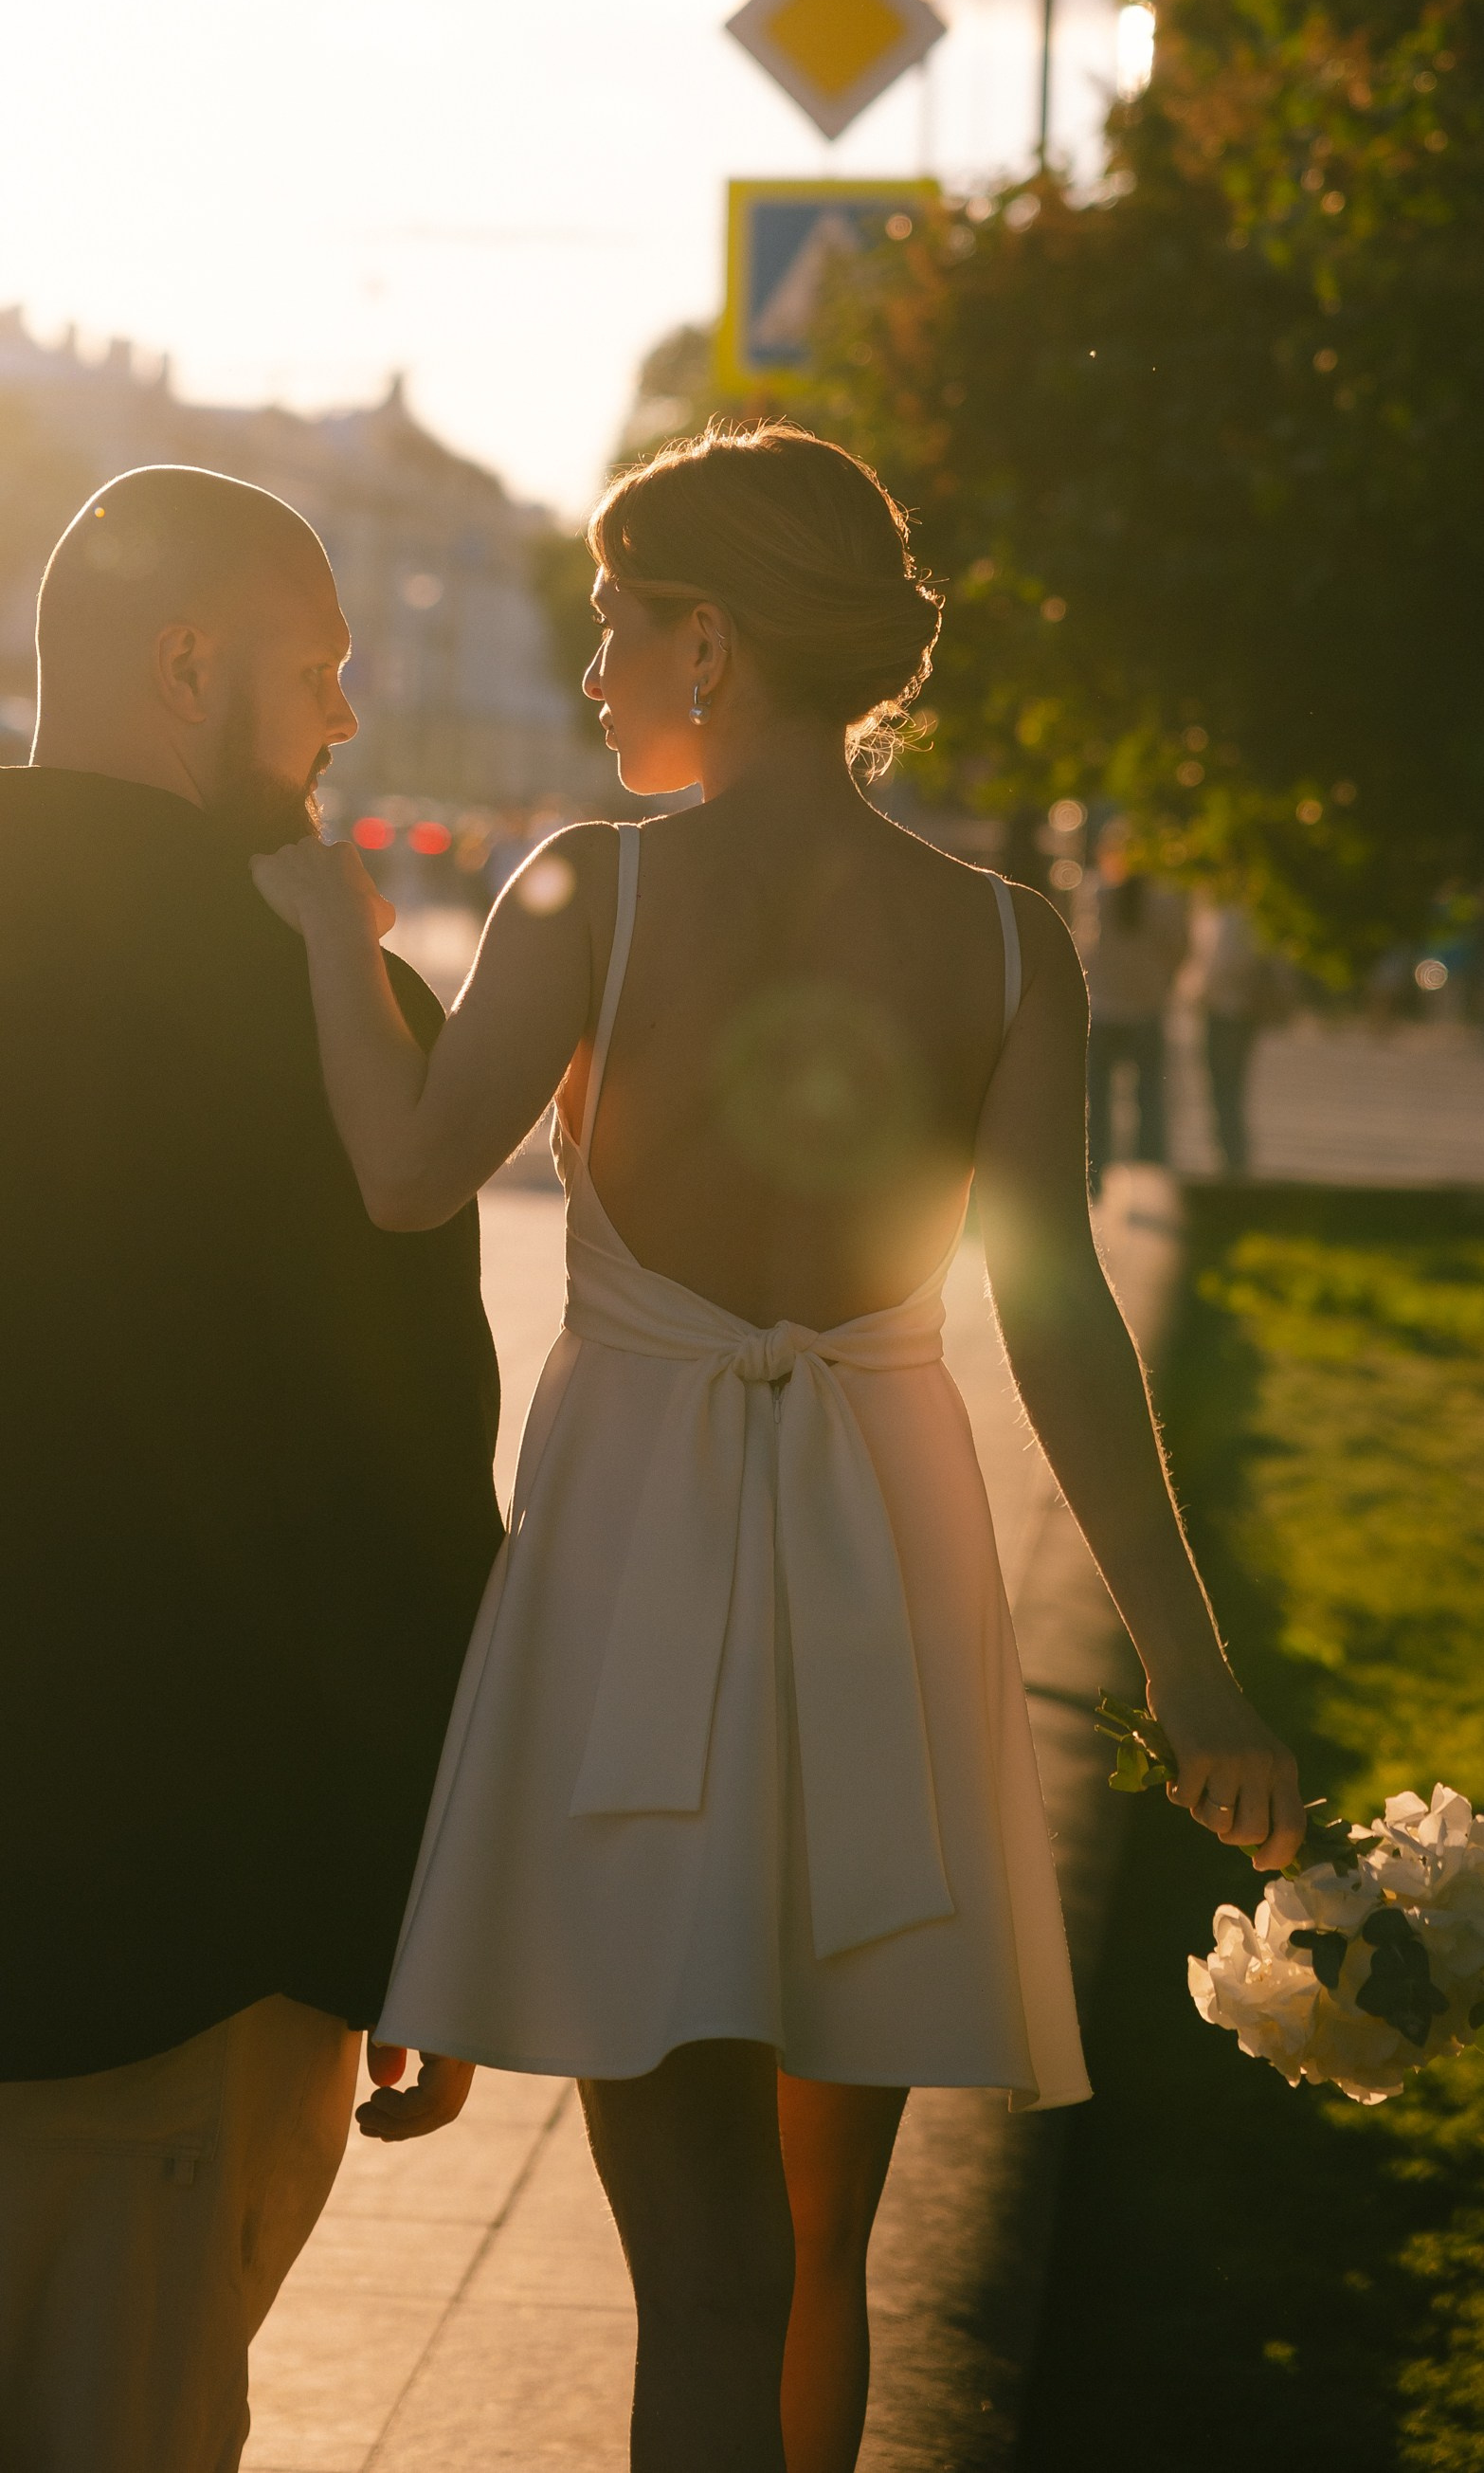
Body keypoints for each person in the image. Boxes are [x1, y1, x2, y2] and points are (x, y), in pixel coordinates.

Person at [253, 422, 1302, 2473]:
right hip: (880, 1585)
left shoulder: (588, 896)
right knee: (832, 2257)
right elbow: (1059, 1311)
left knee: (706, 2273)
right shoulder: (1011, 942)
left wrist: (319, 933)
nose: (595, 673)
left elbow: (398, 1176)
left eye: (620, 624)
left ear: (712, 642)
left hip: (640, 1584)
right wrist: (1194, 1666)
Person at [0, 465, 503, 2473]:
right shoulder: (336, 1026)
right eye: (315, 671)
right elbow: (403, 1518)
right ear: (186, 664)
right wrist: (427, 1910)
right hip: (163, 1937)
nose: (337, 721)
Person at [1076, 824, 1191, 1196]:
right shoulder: (1166, 900)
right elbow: (1181, 950)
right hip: (1146, 1009)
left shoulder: (1095, 894)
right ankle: (1149, 1179)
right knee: (1150, 1104)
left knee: (1098, 1106)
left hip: (1104, 1010)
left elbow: (1082, 949)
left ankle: (1094, 1179)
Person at [1197, 900, 1290, 1176]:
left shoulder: (1233, 915)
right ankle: (1231, 1152)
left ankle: (1232, 1155)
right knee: (1229, 1085)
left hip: (1227, 1010)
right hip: (1235, 1010)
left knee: (1224, 1086)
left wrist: (1200, 991)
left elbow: (1224, 964)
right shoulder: (1244, 913)